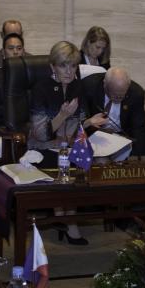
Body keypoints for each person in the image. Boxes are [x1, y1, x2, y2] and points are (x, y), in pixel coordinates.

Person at [29, 40, 88, 245]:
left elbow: (80, 123)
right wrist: (62, 116)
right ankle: (67, 220)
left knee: (79, 161)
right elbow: (40, 134)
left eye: (73, 66)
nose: (69, 71)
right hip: (42, 147)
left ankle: (67, 219)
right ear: (53, 66)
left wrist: (89, 122)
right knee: (59, 162)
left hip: (67, 144)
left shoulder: (78, 86)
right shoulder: (41, 88)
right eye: (63, 65)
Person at [81, 66, 145, 157]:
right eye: (115, 95)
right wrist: (89, 122)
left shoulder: (136, 93)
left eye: (122, 95)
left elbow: (139, 126)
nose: (119, 98)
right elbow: (80, 118)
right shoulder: (89, 86)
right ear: (105, 84)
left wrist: (136, 159)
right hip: (96, 132)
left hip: (122, 131)